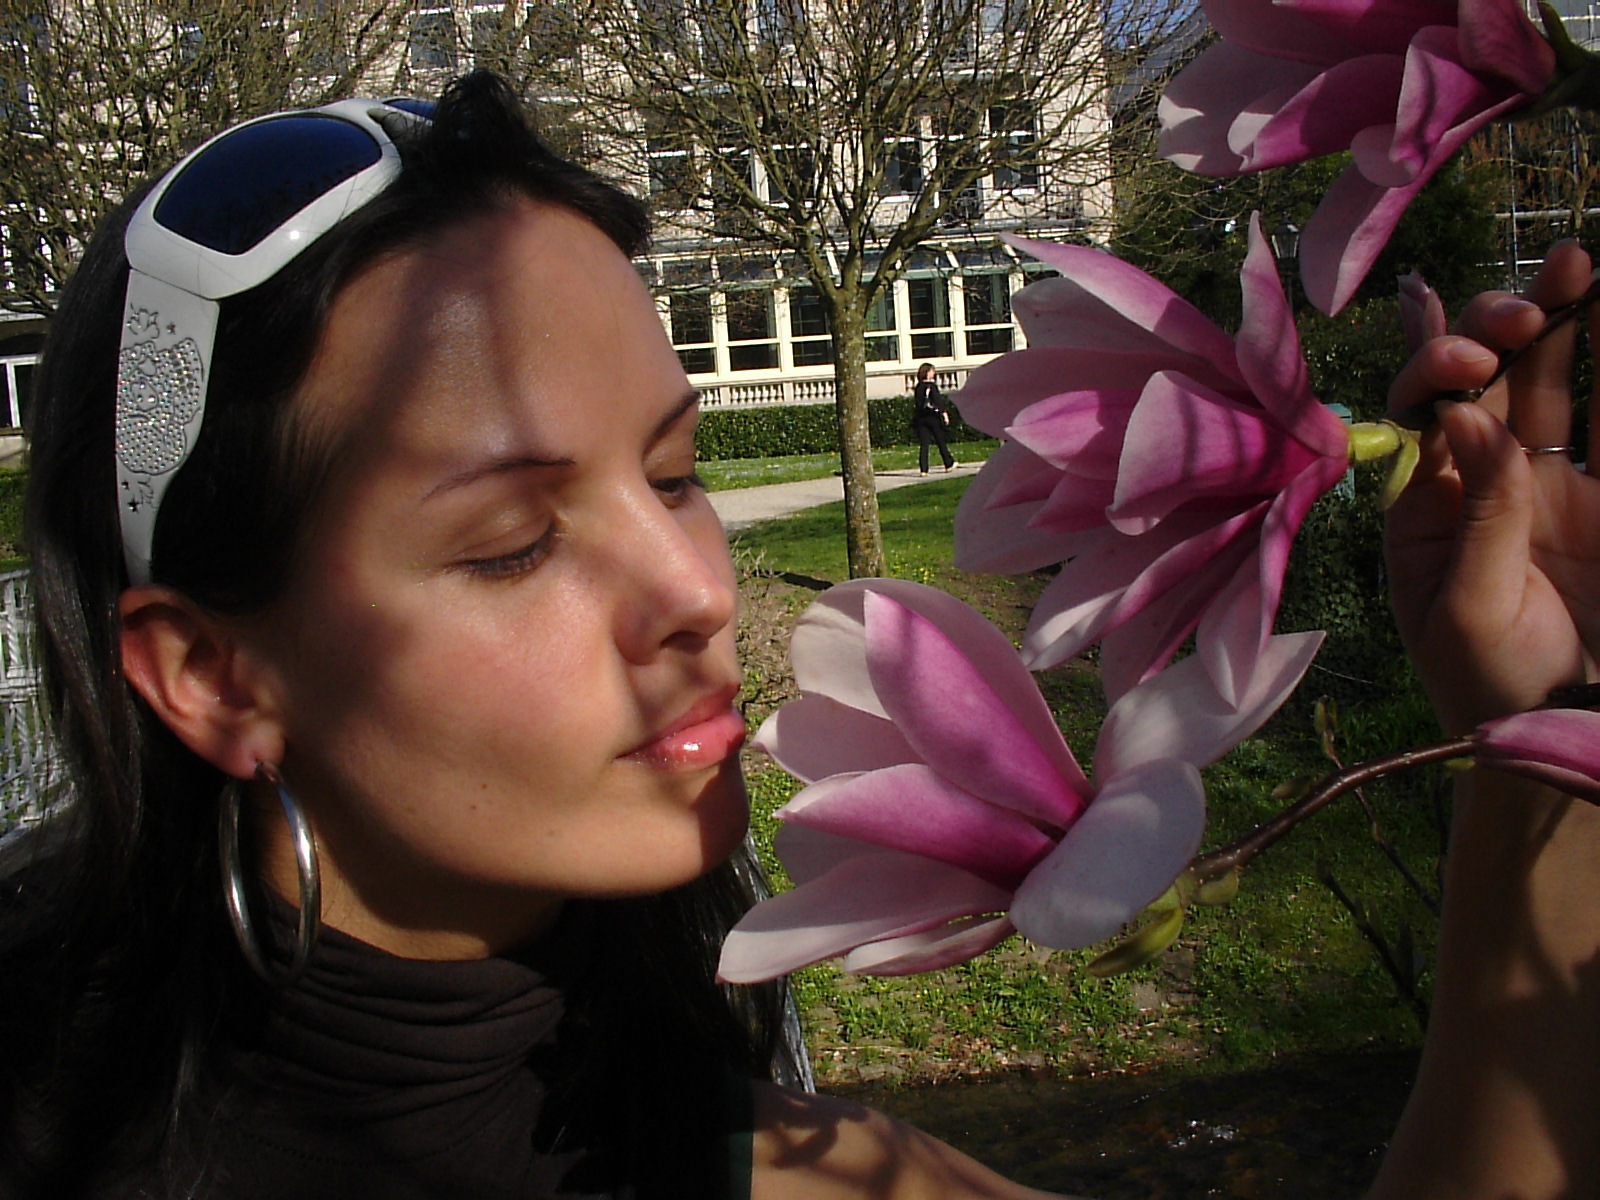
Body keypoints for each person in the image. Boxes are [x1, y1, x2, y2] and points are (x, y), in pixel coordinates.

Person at [0, 69, 1596, 1200]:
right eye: (511, 542)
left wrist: (1540, 715)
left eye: (675, 474)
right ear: (213, 675)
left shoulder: (778, 1159)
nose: (697, 588)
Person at [911, 362, 956, 475]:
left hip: (921, 418)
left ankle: (924, 469)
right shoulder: (932, 386)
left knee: (924, 444)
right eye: (932, 371)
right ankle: (948, 463)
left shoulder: (918, 387)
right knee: (940, 440)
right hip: (932, 417)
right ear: (927, 373)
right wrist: (944, 414)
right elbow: (938, 401)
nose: (934, 373)